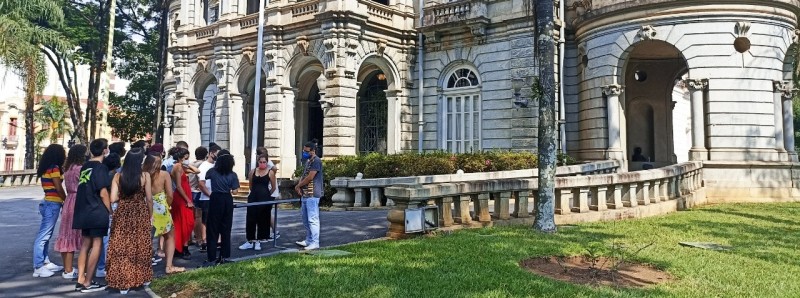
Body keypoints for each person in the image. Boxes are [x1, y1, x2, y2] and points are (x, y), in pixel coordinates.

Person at [107, 148, 154, 294]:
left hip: (123, 212)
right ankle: (142, 277)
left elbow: (113, 198)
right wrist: (150, 215)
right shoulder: (145, 176)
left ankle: (123, 282)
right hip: (139, 211)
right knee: (141, 244)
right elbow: (149, 198)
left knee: (121, 246)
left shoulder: (118, 176)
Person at [73, 138, 111, 293]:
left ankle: (81, 278)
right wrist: (110, 210)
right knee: (97, 244)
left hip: (84, 209)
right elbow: (103, 192)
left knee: (85, 245)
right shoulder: (100, 168)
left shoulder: (85, 166)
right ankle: (88, 281)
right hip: (96, 210)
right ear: (105, 150)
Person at [143, 153, 184, 274]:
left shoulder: (143, 175)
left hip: (146, 205)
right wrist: (167, 204)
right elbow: (170, 194)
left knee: (147, 237)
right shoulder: (164, 174)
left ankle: (145, 266)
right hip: (161, 205)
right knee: (169, 236)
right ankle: (169, 266)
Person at [32, 144, 67, 278]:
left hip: (48, 201)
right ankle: (38, 266)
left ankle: (45, 262)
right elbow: (58, 187)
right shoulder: (54, 168)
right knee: (43, 236)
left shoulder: (47, 167)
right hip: (53, 203)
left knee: (46, 235)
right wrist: (66, 200)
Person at [55, 145, 87, 279]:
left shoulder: (68, 168)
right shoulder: (80, 169)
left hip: (69, 200)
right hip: (77, 201)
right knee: (73, 235)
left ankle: (66, 268)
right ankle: (69, 270)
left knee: (66, 234)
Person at [204, 150, 239, 266]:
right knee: (226, 228)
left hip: (215, 198)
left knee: (212, 229)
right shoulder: (233, 175)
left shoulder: (212, 172)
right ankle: (224, 255)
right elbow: (235, 191)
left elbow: (206, 176)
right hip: (227, 199)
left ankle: (211, 257)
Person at [239, 154, 278, 251]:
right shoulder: (252, 172)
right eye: (260, 162)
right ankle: (250, 240)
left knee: (262, 219)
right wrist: (254, 193)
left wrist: (267, 195)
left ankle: (259, 241)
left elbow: (273, 187)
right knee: (251, 219)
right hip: (253, 198)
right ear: (258, 162)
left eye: (264, 162)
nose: (262, 164)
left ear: (267, 162)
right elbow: (251, 185)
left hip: (265, 198)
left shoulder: (270, 172)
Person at [294, 141, 323, 251]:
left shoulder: (316, 161)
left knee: (312, 219)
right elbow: (304, 175)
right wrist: (299, 187)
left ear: (313, 151)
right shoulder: (308, 161)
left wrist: (298, 185)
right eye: (304, 151)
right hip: (305, 194)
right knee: (305, 219)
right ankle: (309, 240)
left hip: (313, 194)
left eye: (306, 151)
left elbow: (310, 177)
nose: (304, 153)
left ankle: (315, 242)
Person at [170, 147, 195, 259]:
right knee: (184, 223)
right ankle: (182, 248)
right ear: (180, 158)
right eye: (186, 158)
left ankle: (181, 247)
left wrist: (187, 165)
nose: (187, 159)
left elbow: (197, 171)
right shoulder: (177, 167)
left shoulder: (181, 167)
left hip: (185, 195)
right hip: (182, 198)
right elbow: (179, 186)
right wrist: (188, 200)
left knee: (186, 222)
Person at [196, 144, 221, 252]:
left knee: (217, 219)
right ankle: (204, 241)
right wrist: (211, 195)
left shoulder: (217, 165)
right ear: (211, 153)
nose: (217, 156)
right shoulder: (204, 166)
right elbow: (201, 184)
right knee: (205, 220)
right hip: (206, 198)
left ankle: (218, 240)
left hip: (216, 197)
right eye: (217, 153)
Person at [255, 147, 280, 241]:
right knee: (266, 213)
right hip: (268, 191)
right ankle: (271, 231)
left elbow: (274, 169)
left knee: (266, 213)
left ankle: (274, 231)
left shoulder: (267, 162)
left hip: (270, 192)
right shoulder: (265, 162)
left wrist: (269, 175)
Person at [189, 147, 208, 248]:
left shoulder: (191, 163)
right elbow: (200, 178)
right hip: (198, 191)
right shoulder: (202, 165)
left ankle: (190, 238)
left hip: (190, 191)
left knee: (192, 216)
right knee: (198, 217)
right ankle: (199, 238)